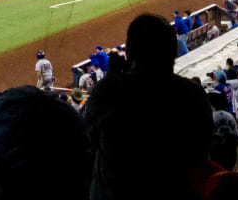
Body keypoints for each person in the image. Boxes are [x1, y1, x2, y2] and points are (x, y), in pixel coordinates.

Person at [84, 14, 212, 200]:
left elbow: (90, 143)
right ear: (172, 51)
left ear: (128, 52)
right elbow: (202, 150)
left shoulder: (107, 92)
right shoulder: (193, 93)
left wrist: (112, 80)